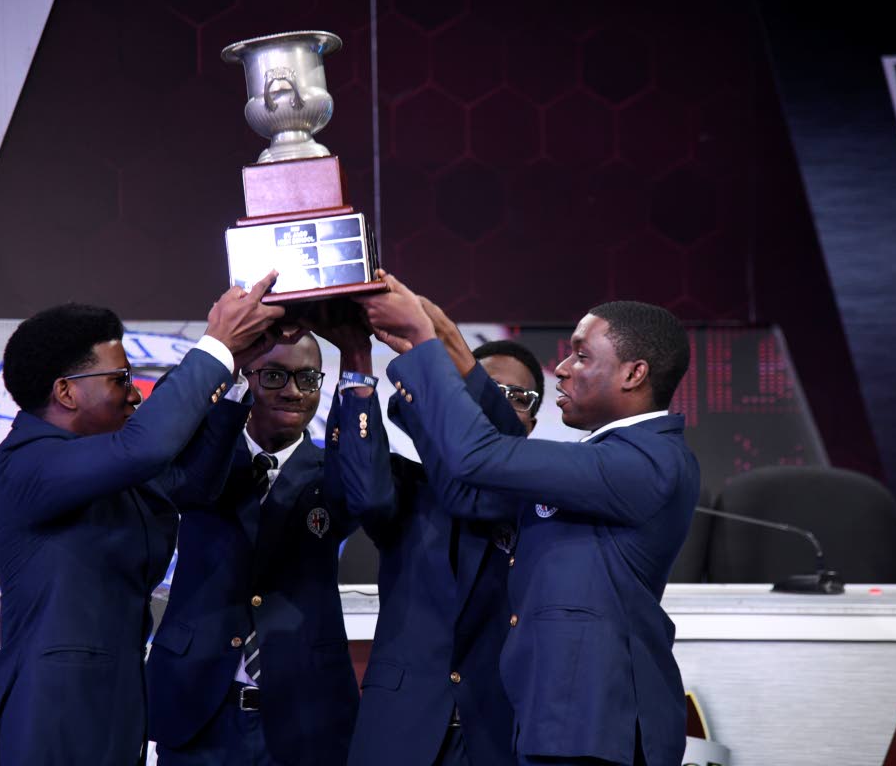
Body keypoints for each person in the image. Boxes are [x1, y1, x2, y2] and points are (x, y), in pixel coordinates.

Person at [358, 275, 699, 766]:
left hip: (596, 729)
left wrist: (423, 347)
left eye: (582, 356)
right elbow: (472, 487)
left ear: (633, 374)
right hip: (552, 725)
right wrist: (451, 343)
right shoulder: (601, 459)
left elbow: (480, 456)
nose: (560, 368)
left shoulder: (647, 461)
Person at [0, 274, 284, 766]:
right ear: (66, 392)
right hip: (48, 721)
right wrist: (215, 345)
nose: (135, 395)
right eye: (120, 380)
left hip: (114, 716)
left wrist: (235, 369)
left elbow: (192, 486)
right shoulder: (19, 467)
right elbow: (148, 447)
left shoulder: (107, 469)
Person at [147, 324, 385, 766]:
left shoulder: (334, 471)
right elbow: (186, 480)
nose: (294, 391)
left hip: (307, 719)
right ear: (245, 379)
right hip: (198, 711)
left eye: (308, 378)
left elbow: (369, 497)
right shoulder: (204, 460)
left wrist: (357, 363)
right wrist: (230, 357)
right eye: (274, 375)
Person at [336, 295, 546, 766]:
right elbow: (364, 495)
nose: (506, 403)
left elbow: (497, 451)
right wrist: (356, 364)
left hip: (496, 731)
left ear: (534, 419)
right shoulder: (410, 487)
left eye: (521, 397)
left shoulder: (544, 500)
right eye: (487, 389)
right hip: (399, 727)